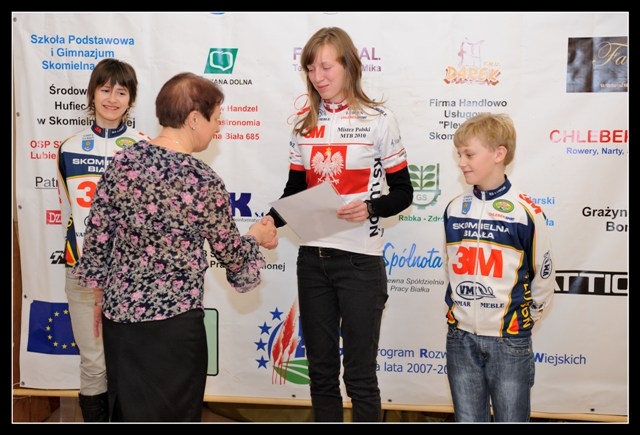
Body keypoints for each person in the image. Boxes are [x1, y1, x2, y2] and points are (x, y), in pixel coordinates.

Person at [72, 72, 278, 422]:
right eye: (216, 119)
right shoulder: (202, 179)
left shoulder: (122, 163)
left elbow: (97, 242)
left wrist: (99, 296)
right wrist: (257, 236)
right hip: (174, 327)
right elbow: (232, 255)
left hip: (121, 323)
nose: (218, 129)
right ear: (194, 119)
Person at [264, 27, 413, 422]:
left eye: (326, 67)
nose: (318, 76)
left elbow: (404, 192)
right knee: (321, 373)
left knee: (360, 377)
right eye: (311, 68)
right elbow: (295, 190)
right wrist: (269, 221)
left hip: (360, 261)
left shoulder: (380, 119)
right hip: (312, 259)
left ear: (349, 66)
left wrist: (371, 207)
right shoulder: (303, 125)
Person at [443, 112, 555, 422]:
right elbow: (452, 270)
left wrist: (520, 322)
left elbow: (544, 277)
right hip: (460, 337)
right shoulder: (454, 208)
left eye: (469, 154)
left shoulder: (525, 212)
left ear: (498, 153)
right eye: (459, 155)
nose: (461, 162)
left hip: (509, 340)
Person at [57, 58, 149, 422]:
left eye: (121, 92)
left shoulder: (144, 148)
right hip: (82, 272)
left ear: (131, 100)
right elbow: (68, 211)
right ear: (92, 94)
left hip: (131, 277)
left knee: (131, 363)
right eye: (105, 89)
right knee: (94, 364)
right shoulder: (68, 148)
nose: (112, 98)